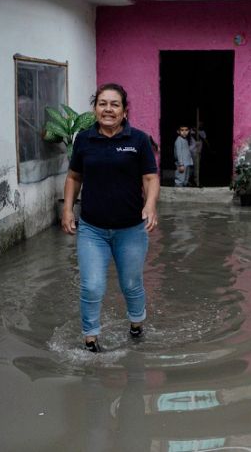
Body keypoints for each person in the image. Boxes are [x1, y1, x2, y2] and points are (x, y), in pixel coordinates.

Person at [61, 83, 160, 353]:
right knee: (92, 286)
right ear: (95, 109)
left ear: (125, 111)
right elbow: (74, 176)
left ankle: (137, 324)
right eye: (102, 103)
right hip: (92, 229)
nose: (108, 109)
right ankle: (90, 339)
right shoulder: (83, 139)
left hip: (130, 230)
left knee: (131, 283)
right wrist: (68, 208)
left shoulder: (138, 140)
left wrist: (150, 205)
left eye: (114, 104)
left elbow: (150, 177)